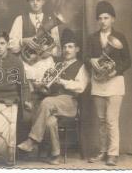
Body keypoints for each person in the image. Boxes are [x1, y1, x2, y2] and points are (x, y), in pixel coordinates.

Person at [17, 28, 89, 165]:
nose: (67, 50)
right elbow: (47, 82)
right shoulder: (58, 64)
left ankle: (32, 141)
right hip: (54, 102)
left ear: (77, 49)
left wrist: (62, 81)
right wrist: (40, 84)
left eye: (71, 47)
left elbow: (81, 87)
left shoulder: (81, 66)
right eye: (65, 47)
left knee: (47, 102)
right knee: (50, 121)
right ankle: (56, 155)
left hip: (70, 102)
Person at [86, 1, 131, 166]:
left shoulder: (121, 37)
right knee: (101, 120)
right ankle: (103, 151)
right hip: (98, 82)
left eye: (106, 18)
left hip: (115, 82)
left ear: (113, 19)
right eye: (100, 18)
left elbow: (128, 61)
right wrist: (91, 60)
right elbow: (85, 57)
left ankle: (113, 153)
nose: (103, 21)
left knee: (112, 120)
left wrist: (115, 71)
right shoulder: (91, 38)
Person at [9, 0, 61, 87]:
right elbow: (11, 46)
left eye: (38, 0)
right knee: (28, 95)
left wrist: (49, 51)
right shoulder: (20, 19)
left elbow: (58, 49)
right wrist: (23, 40)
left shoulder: (51, 20)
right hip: (27, 64)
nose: (35, 3)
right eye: (32, 0)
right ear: (28, 2)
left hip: (45, 64)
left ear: (43, 1)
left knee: (44, 97)